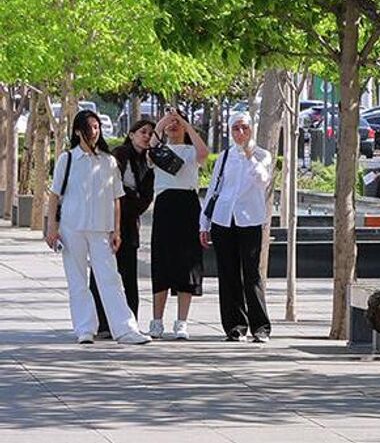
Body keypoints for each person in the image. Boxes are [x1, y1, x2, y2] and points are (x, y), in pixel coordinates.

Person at [46, 110, 150, 345]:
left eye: (97, 127)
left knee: (111, 278)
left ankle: (125, 329)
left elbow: (116, 198)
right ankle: (85, 328)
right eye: (90, 127)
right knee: (77, 279)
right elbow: (54, 195)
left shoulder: (108, 161)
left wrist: (117, 230)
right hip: (73, 227)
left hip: (101, 229)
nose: (94, 131)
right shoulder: (67, 159)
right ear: (77, 131)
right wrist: (52, 227)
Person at [199, 113, 276, 343]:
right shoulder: (225, 156)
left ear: (251, 129)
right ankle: (234, 326)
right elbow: (214, 189)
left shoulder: (263, 155)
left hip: (249, 220)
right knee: (228, 273)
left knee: (251, 274)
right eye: (235, 128)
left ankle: (260, 327)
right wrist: (204, 223)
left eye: (244, 128)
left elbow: (263, 180)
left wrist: (250, 155)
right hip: (224, 219)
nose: (240, 133)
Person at [90, 117, 156, 338]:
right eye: (143, 132)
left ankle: (128, 323)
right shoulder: (119, 156)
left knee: (128, 277)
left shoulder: (148, 163)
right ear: (132, 134)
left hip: (130, 227)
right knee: (102, 273)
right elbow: (109, 190)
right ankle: (100, 323)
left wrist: (130, 202)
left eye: (150, 133)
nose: (146, 136)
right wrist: (127, 202)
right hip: (108, 223)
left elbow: (146, 198)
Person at [149, 109, 209, 339]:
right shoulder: (159, 151)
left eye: (178, 123)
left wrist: (185, 123)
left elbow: (204, 152)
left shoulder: (192, 151)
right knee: (162, 262)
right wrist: (163, 121)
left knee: (188, 263)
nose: (173, 126)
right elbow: (149, 150)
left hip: (187, 205)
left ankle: (182, 322)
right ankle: (156, 320)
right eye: (170, 124)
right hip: (165, 205)